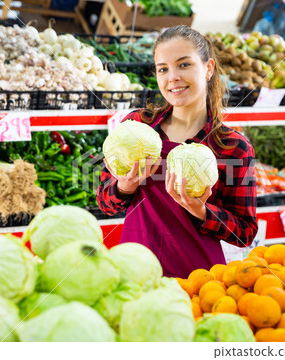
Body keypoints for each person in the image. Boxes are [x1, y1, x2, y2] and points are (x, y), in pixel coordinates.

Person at [97, 25, 257, 278]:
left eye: (184, 65)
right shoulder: (137, 127)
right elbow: (105, 203)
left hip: (199, 281)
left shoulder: (233, 147)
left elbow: (245, 233)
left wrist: (202, 211)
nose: (172, 77)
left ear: (208, 68)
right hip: (133, 274)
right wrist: (124, 187)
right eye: (163, 68)